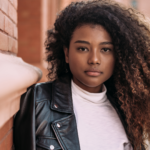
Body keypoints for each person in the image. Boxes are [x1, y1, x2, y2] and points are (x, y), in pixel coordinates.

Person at [13, 0, 150, 150]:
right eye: (83, 49)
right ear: (66, 53)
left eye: (105, 50)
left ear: (118, 56)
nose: (94, 60)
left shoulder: (128, 109)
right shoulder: (39, 101)